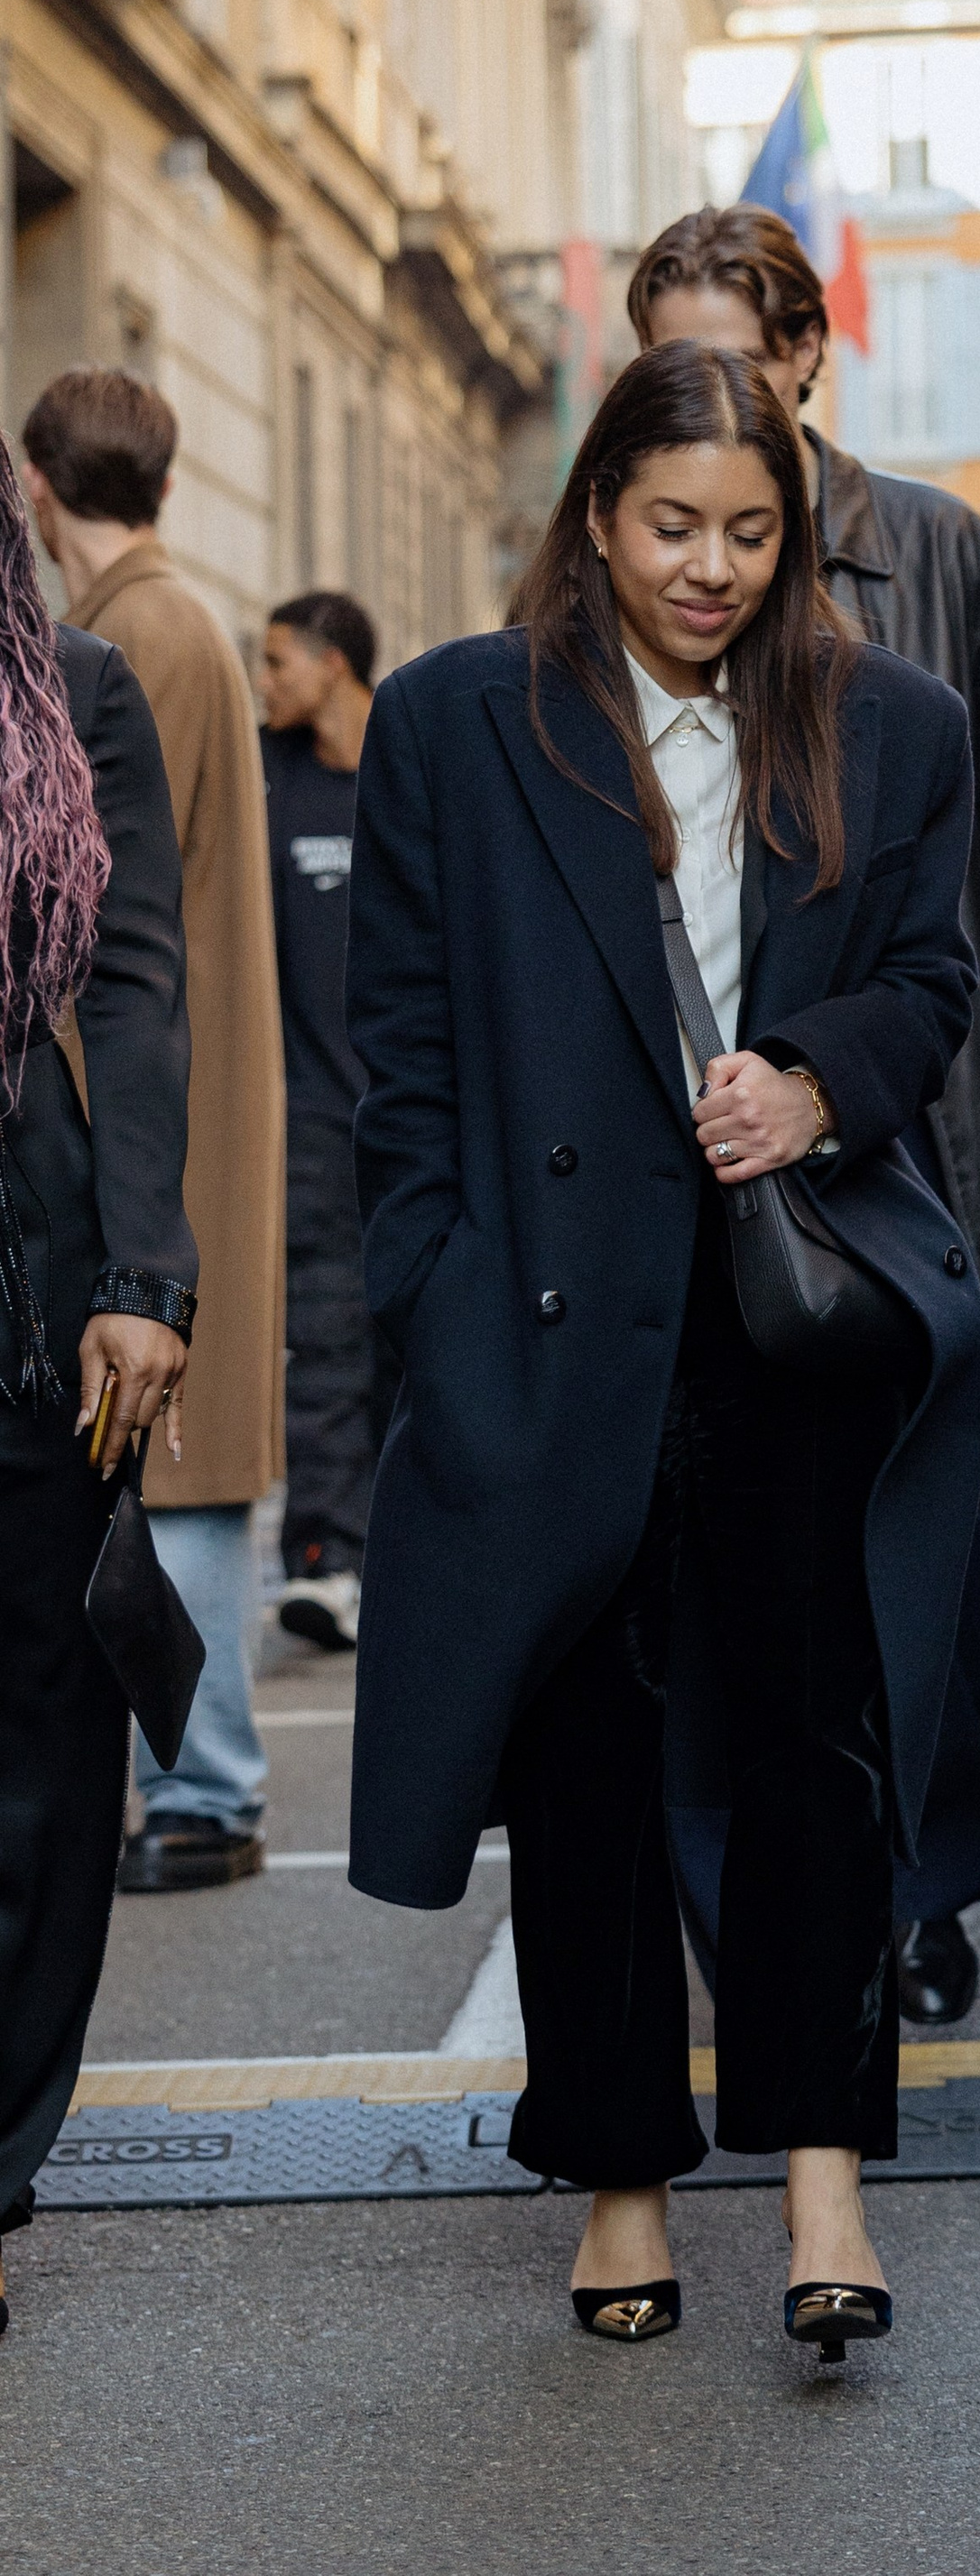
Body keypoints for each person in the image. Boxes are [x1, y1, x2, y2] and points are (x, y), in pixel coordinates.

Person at [346, 338, 980, 2356]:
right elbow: (400, 1058)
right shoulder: (456, 720)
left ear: (794, 531)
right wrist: (432, 1296)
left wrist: (813, 1079)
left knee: (813, 1736)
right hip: (543, 1303)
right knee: (587, 1749)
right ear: (595, 517)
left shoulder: (889, 721)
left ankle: (818, 2178)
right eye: (666, 527)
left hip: (791, 1303)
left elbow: (930, 984)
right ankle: (618, 2173)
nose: (707, 569)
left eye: (748, 530)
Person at [630, 205, 980, 2026]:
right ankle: (777, 1876)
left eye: (733, 363)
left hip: (935, 1130)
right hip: (703, 1146)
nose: (700, 403)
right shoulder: (629, 572)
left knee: (920, 1527)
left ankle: (923, 1869)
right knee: (729, 1537)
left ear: (807, 357)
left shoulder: (941, 555)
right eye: (664, 368)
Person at [22, 369, 285, 1894]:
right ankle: (199, 1778)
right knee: (170, 1458)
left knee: (166, 1458)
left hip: (155, 1100)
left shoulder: (128, 634)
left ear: (42, 491)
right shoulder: (178, 616)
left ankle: (205, 1783)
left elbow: (110, 920)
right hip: (190, 1081)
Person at [0, 435, 196, 2338]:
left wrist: (146, 1279)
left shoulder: (74, 686)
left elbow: (132, 981)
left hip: (27, 1263)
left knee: (41, 1734)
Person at [259, 591, 386, 1646]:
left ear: (332, 663)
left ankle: (389, 1545)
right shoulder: (271, 776)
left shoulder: (408, 766)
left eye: (276, 663)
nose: (266, 684)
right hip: (307, 1123)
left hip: (407, 1112)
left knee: (416, 1338)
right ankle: (323, 1556)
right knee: (329, 1340)